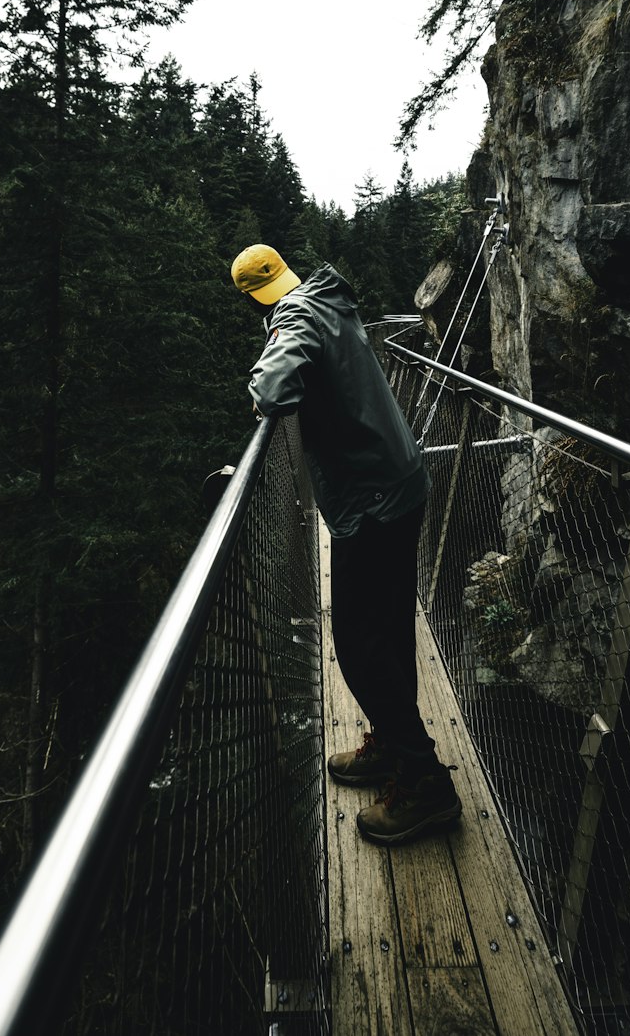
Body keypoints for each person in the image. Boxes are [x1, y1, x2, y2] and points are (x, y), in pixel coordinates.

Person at [231, 243, 462, 847]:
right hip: (396, 482)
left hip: (372, 501)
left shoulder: (297, 316)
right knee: (386, 629)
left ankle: (426, 782)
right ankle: (392, 745)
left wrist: (261, 370)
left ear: (255, 295)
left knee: (359, 644)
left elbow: (274, 389)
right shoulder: (328, 301)